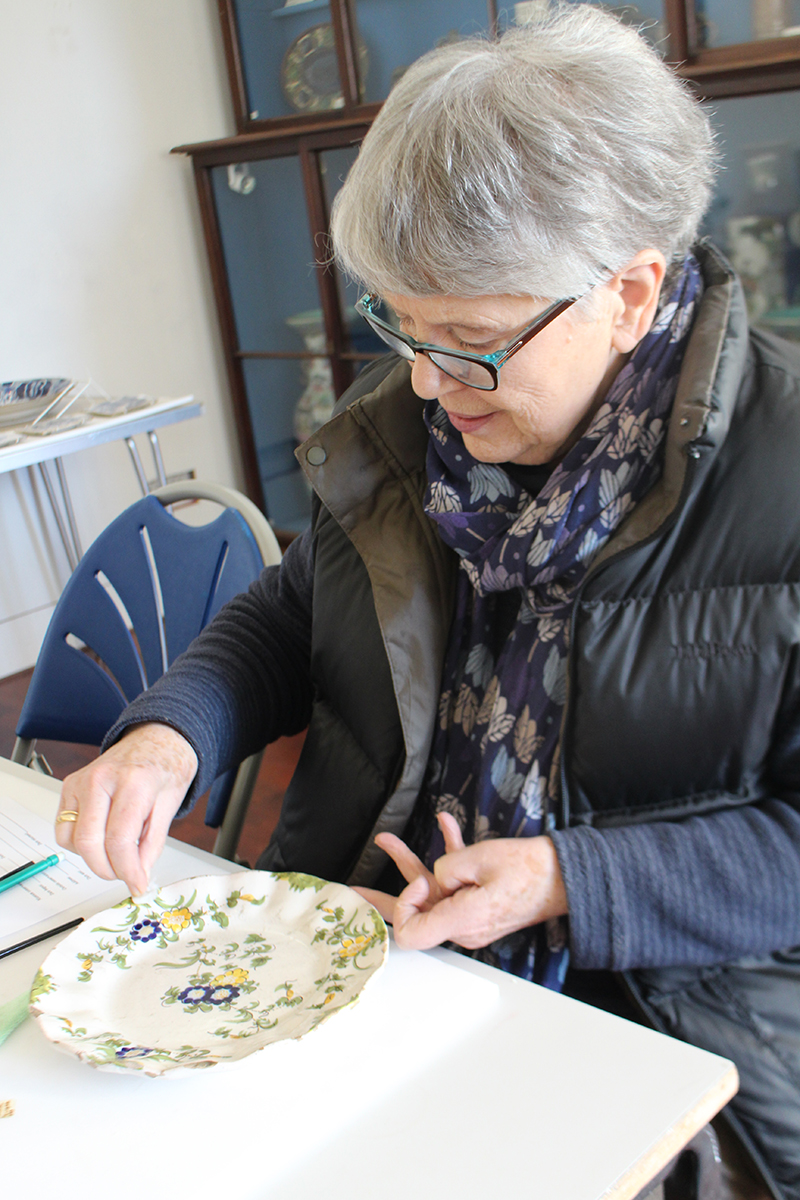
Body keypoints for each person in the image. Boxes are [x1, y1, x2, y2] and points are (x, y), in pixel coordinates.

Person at [56, 6, 800, 1197]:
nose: (419, 378)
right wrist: (166, 734)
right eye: (399, 322)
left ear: (628, 289)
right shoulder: (424, 417)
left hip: (652, 1023)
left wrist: (564, 882)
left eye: (467, 339)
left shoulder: (782, 470)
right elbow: (292, 613)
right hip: (372, 959)